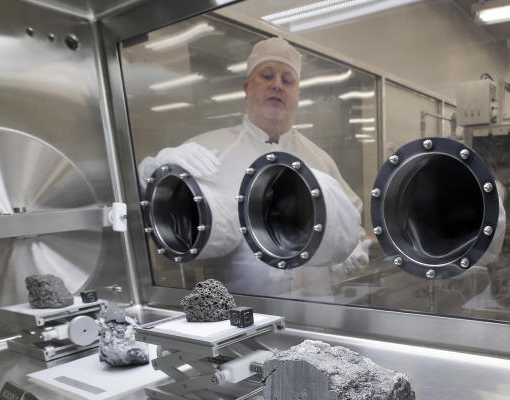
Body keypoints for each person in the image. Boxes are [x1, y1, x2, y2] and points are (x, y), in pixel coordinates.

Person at [138, 37, 366, 296]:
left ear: (297, 95)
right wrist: (155, 167)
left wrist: (352, 247)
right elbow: (148, 203)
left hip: (318, 309)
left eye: (287, 80)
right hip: (244, 312)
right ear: (247, 87)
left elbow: (352, 217)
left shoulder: (320, 159)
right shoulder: (209, 149)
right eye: (267, 76)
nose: (277, 85)